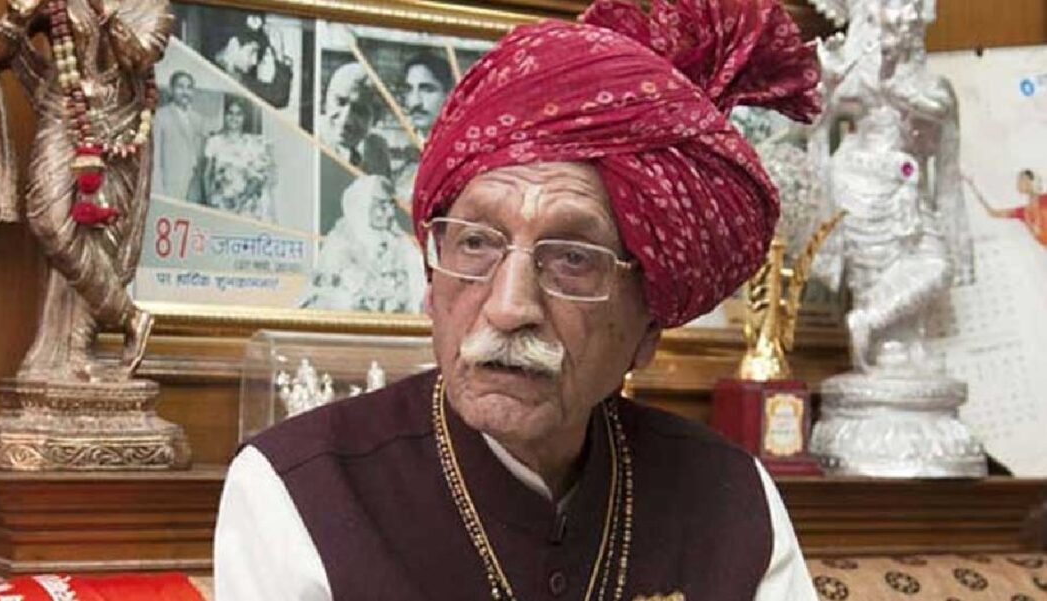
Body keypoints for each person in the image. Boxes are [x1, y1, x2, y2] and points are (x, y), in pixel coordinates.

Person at [215, 0, 822, 599]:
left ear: (647, 329)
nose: (509, 308)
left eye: (573, 259)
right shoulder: (300, 493)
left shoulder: (731, 501)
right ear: (432, 285)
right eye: (477, 244)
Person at [0, 0, 170, 379]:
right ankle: (129, 316)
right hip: (64, 113)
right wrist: (17, 19)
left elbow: (139, 56)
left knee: (97, 237)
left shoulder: (151, 6)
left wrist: (103, 9)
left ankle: (76, 353)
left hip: (121, 127)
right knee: (47, 218)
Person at [299, 174, 425, 312]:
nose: (390, 213)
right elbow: (323, 298)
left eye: (392, 205)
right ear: (362, 205)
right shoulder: (339, 244)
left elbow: (418, 292)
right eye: (382, 206)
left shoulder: (401, 244)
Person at [201, 96, 277, 222]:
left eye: (238, 114)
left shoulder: (253, 143)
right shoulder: (214, 142)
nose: (234, 118)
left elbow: (258, 178)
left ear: (244, 118)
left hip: (245, 205)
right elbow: (206, 174)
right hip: (220, 203)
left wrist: (241, 201)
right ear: (225, 116)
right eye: (230, 113)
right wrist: (209, 200)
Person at [393, 51, 453, 200]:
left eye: (427, 90)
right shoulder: (399, 161)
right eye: (409, 90)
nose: (415, 102)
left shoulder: (459, 156)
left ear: (449, 95)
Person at [317, 61, 391, 178]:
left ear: (375, 118)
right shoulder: (310, 138)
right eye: (340, 102)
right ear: (325, 101)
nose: (346, 120)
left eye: (359, 110)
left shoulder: (377, 150)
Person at [213, 12, 294, 109]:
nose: (254, 62)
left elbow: (277, 98)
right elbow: (277, 97)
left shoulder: (237, 77)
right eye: (252, 52)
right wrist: (279, 56)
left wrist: (279, 55)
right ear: (233, 45)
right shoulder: (210, 69)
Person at [153, 70, 205, 202]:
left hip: (193, 190)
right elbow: (155, 158)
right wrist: (158, 192)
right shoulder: (160, 116)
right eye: (180, 87)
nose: (185, 92)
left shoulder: (198, 119)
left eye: (189, 87)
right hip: (169, 188)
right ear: (171, 90)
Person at [975, 169, 1047, 247]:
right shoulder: (1023, 212)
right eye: (1019, 179)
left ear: (1032, 182)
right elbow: (993, 213)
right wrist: (974, 187)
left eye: (1022, 179)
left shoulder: (1044, 199)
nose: (1018, 182)